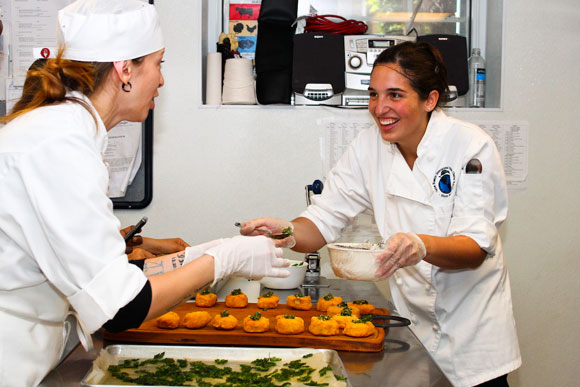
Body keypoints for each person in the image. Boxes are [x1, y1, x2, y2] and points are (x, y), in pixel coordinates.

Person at [0, 1, 289, 385]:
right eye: (159, 64)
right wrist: (223, 259)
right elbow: (121, 307)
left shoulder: (67, 132)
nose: (162, 80)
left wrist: (201, 253)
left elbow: (104, 271)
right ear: (124, 71)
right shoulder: (59, 145)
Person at [240, 41, 521, 387]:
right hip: (413, 330)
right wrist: (286, 231)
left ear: (429, 100)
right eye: (374, 95)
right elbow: (323, 220)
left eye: (395, 95)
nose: (380, 108)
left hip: (473, 336)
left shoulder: (471, 147)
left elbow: (475, 248)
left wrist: (421, 245)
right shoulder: (367, 147)